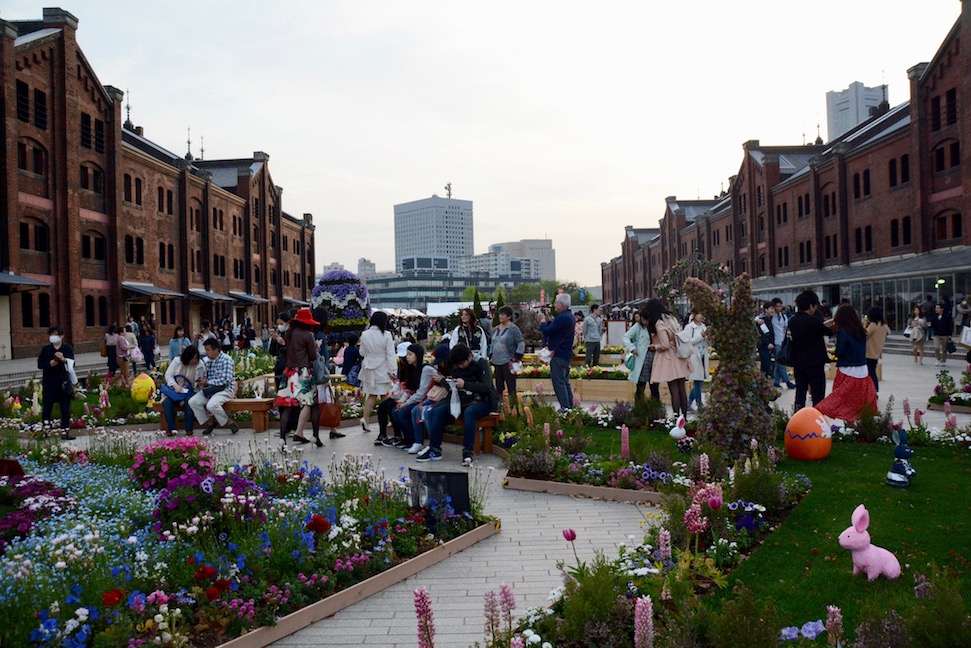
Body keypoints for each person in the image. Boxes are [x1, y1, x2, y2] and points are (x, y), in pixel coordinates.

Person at [417, 343, 498, 466]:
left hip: (482, 402)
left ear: (470, 357)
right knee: (437, 411)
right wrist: (448, 382)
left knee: (469, 413)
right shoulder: (456, 365)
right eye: (458, 365)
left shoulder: (481, 363)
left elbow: (486, 387)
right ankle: (434, 449)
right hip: (462, 400)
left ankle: (467, 451)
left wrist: (465, 384)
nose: (460, 367)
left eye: (462, 364)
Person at [816, 304, 877, 422]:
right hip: (862, 370)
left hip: (847, 369)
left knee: (840, 399)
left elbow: (840, 351)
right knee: (857, 400)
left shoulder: (843, 332)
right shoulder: (861, 330)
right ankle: (854, 424)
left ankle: (848, 423)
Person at [274, 307, 322, 446]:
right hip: (303, 372)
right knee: (312, 404)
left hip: (289, 372)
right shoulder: (308, 335)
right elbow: (313, 356)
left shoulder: (290, 333)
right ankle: (316, 437)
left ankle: (283, 437)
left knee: (287, 405)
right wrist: (316, 346)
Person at [787, 290, 834, 411]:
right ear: (811, 306)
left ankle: (798, 415)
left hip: (799, 362)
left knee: (800, 391)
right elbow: (829, 332)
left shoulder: (792, 320)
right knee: (817, 393)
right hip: (814, 363)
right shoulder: (813, 321)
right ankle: (816, 417)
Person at [644, 299, 692, 417]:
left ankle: (676, 418)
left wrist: (654, 346)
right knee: (682, 388)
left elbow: (664, 345)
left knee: (673, 389)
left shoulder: (659, 323)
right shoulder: (672, 318)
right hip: (679, 354)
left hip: (668, 358)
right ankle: (684, 417)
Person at [188, 338, 239, 436]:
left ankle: (229, 422)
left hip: (225, 389)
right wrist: (201, 380)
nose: (206, 352)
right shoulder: (208, 361)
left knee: (211, 405)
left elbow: (226, 379)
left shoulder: (226, 360)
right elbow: (207, 378)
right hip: (210, 390)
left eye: (208, 350)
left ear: (216, 350)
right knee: (193, 401)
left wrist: (207, 382)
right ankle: (210, 423)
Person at [393, 343, 437, 454]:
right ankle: (408, 439)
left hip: (430, 399)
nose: (407, 357)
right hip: (419, 399)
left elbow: (421, 393)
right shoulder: (413, 368)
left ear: (417, 355)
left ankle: (417, 441)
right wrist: (403, 401)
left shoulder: (425, 369)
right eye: (407, 354)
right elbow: (410, 388)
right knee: (395, 410)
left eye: (410, 354)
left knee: (410, 411)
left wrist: (406, 403)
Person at [358, 311, 396, 432]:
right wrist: (393, 371)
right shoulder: (386, 335)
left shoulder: (364, 334)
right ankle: (390, 420)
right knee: (385, 395)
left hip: (369, 368)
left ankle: (365, 418)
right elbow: (390, 354)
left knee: (371, 395)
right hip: (383, 367)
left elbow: (362, 352)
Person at [539, 293, 576, 410]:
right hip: (565, 353)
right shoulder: (569, 316)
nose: (554, 305)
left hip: (558, 353)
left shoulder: (563, 318)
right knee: (565, 381)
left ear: (562, 304)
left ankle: (565, 407)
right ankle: (569, 405)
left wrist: (543, 322)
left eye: (556, 302)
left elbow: (548, 331)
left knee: (559, 382)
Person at [37, 326, 75, 440]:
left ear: (62, 336)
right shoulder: (46, 350)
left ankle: (65, 431)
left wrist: (63, 360)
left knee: (65, 409)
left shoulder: (67, 348)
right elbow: (40, 364)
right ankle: (46, 430)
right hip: (50, 381)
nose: (53, 337)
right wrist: (50, 364)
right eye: (51, 335)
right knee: (47, 408)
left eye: (56, 334)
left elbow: (72, 364)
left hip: (63, 381)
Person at [375, 343, 413, 447]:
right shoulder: (402, 366)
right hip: (400, 394)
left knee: (391, 407)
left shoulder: (413, 368)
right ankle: (382, 434)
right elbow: (401, 382)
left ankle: (398, 436)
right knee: (382, 406)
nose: (403, 359)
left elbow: (411, 387)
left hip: (408, 395)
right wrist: (396, 380)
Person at [161, 345, 204, 436]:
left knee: (190, 402)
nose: (194, 360)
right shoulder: (177, 361)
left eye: (196, 358)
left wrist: (200, 381)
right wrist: (175, 386)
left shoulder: (200, 365)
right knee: (167, 402)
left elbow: (200, 382)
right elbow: (168, 375)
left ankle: (188, 429)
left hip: (190, 391)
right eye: (193, 358)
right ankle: (171, 427)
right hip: (175, 390)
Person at [490, 306, 525, 405]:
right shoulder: (496, 329)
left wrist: (517, 356)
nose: (500, 316)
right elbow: (492, 342)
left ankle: (514, 407)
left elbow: (521, 342)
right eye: (500, 314)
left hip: (508, 361)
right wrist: (490, 353)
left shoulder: (513, 328)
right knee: (499, 386)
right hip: (496, 360)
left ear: (509, 316)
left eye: (503, 315)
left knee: (511, 387)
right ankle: (501, 407)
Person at [624, 309, 660, 401]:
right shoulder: (638, 326)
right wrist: (632, 348)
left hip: (655, 357)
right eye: (644, 320)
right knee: (640, 386)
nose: (646, 322)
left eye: (647, 320)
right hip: (642, 358)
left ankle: (655, 407)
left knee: (654, 386)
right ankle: (639, 408)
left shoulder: (656, 325)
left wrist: (656, 346)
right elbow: (626, 337)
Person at [683, 309, 709, 413]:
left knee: (700, 381)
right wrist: (700, 336)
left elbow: (707, 341)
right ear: (694, 315)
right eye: (699, 314)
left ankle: (688, 403)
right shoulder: (689, 327)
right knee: (698, 381)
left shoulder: (703, 326)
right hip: (694, 356)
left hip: (703, 356)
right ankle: (699, 404)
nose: (701, 316)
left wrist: (708, 337)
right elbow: (688, 342)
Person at [771, 298, 796, 389]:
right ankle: (787, 381)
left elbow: (786, 326)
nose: (779, 308)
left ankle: (776, 382)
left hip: (782, 341)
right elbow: (758, 318)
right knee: (781, 363)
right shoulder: (771, 316)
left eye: (780, 306)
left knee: (779, 362)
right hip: (776, 342)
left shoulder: (783, 316)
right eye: (777, 306)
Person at [864, 307, 890, 392]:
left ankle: (872, 390)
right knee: (873, 371)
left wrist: (864, 324)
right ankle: (875, 389)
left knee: (869, 372)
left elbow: (864, 334)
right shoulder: (884, 325)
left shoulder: (873, 325)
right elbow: (888, 332)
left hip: (869, 352)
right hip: (877, 352)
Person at [756, 301, 775, 379]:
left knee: (767, 364)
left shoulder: (770, 319)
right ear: (766, 310)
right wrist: (768, 343)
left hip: (769, 345)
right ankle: (762, 381)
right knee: (765, 364)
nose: (772, 310)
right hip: (764, 346)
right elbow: (763, 334)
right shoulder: (762, 320)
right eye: (771, 309)